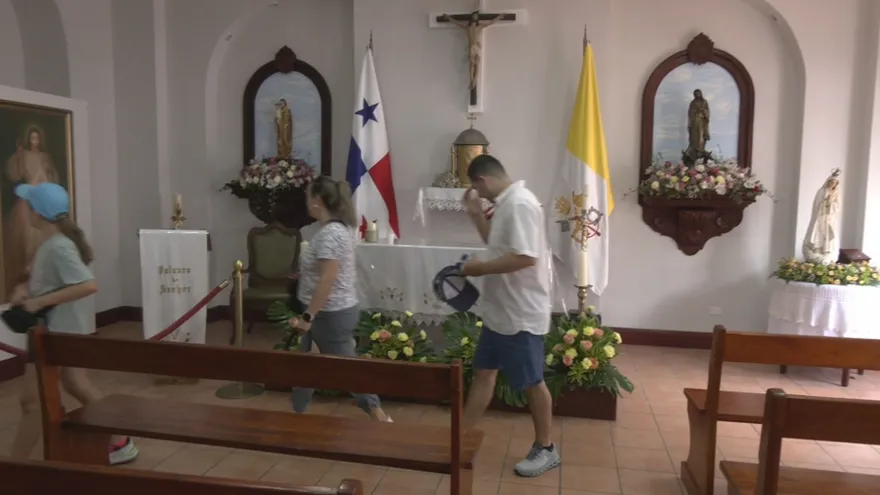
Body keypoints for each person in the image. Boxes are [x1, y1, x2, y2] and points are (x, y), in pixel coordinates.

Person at [8, 182, 138, 465]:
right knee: (76, 384)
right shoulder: (53, 244)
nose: (24, 210)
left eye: (27, 205)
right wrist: (27, 290)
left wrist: (38, 302)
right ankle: (120, 440)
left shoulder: (59, 246)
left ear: (38, 214)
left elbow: (88, 285)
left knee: (32, 404)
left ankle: (13, 468)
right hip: (60, 331)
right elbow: (51, 282)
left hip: (58, 335)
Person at [459, 154, 558, 477]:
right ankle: (457, 438)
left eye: (476, 189)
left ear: (481, 181)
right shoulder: (505, 203)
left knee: (532, 382)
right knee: (484, 373)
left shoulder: (520, 204)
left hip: (521, 312)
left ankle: (546, 447)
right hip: (500, 310)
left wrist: (479, 269)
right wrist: (475, 215)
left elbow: (526, 257)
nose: (478, 194)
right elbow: (499, 245)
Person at [288, 176, 392, 422]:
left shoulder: (331, 234)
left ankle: (378, 414)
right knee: (305, 368)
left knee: (348, 371)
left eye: (308, 197)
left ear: (318, 201)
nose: (306, 202)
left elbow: (328, 279)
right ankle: (297, 415)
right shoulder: (330, 231)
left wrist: (308, 316)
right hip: (325, 311)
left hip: (330, 314)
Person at [5, 127, 59, 299]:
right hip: (29, 198)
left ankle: (43, 278)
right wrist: (19, 155)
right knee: (28, 238)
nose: (35, 142)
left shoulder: (45, 157)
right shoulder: (25, 155)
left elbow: (52, 178)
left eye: (37, 139)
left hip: (42, 197)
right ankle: (27, 277)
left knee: (45, 239)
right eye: (32, 138)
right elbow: (16, 174)